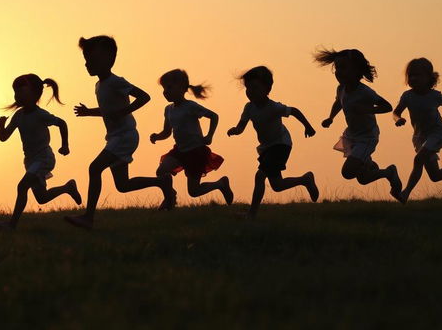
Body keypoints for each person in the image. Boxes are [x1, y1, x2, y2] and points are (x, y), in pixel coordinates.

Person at [65, 36, 175, 229]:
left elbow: (144, 97)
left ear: (108, 59)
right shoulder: (99, 85)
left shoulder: (116, 82)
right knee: (122, 185)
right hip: (115, 137)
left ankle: (88, 217)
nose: (87, 64)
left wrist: (124, 112)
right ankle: (163, 183)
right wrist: (89, 112)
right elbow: (109, 111)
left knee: (94, 168)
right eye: (86, 60)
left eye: (92, 60)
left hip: (125, 136)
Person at [227, 66, 318, 218]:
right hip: (266, 148)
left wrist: (308, 126)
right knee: (277, 185)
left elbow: (294, 111)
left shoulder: (273, 107)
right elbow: (241, 126)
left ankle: (251, 214)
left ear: (267, 88)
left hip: (281, 144)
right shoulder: (249, 108)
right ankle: (305, 179)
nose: (250, 92)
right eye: (248, 88)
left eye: (255, 88)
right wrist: (235, 130)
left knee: (260, 175)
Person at [314, 48, 402, 200]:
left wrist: (366, 109)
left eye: (343, 67)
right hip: (352, 136)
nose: (339, 72)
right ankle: (387, 172)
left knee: (347, 172)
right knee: (363, 179)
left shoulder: (365, 92)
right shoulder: (341, 89)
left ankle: (383, 171)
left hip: (367, 137)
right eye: (337, 68)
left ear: (356, 70)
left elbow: (387, 106)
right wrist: (330, 118)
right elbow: (338, 103)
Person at [0, 74, 81, 229]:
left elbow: (61, 123)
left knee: (22, 187)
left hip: (43, 158)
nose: (18, 96)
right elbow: (4, 137)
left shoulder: (40, 114)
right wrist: (1, 126)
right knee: (42, 198)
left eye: (22, 92)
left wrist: (65, 145)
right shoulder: (19, 115)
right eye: (16, 92)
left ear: (35, 94)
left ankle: (12, 224)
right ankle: (68, 188)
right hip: (30, 161)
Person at [393, 57, 442, 201]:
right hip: (420, 137)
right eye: (411, 75)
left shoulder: (434, 95)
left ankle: (405, 194)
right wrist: (398, 119)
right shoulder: (407, 96)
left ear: (429, 78)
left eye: (418, 75)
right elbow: (396, 112)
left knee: (418, 160)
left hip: (437, 134)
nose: (413, 78)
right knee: (435, 175)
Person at [151, 69, 233, 205]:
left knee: (194, 191)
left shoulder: (190, 106)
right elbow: (167, 132)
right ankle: (170, 196)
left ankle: (220, 184)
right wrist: (157, 137)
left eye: (169, 87)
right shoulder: (168, 109)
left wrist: (209, 136)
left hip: (196, 152)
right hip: (179, 151)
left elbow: (214, 116)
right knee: (161, 171)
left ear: (183, 88)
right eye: (164, 89)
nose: (165, 92)